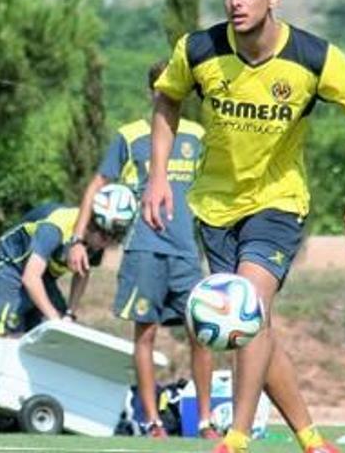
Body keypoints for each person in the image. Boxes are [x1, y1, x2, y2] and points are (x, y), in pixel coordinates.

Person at [140, 0, 345, 452]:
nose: (236, 1)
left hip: (278, 202)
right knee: (253, 327)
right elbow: (167, 99)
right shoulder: (198, 49)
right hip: (214, 207)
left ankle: (237, 436)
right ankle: (312, 439)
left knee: (246, 308)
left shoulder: (312, 56)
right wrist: (158, 176)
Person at [68, 61, 219, 440]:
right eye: (161, 89)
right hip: (143, 251)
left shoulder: (198, 136)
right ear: (151, 91)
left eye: (175, 89)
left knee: (201, 334)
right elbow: (97, 184)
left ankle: (205, 421)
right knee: (146, 335)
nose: (167, 95)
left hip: (186, 253)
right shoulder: (130, 136)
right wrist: (77, 238)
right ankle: (151, 421)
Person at [0, 203, 116, 336]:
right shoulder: (54, 229)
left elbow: (82, 273)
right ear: (91, 226)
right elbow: (31, 278)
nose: (108, 243)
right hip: (12, 263)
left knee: (58, 329)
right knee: (9, 319)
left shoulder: (98, 242)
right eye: (106, 237)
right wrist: (54, 318)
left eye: (116, 237)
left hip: (43, 272)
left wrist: (70, 314)